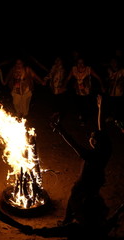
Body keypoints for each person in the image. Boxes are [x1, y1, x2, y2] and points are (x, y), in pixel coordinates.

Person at [50, 94, 112, 228]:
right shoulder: (106, 147)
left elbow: (73, 144)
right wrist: (100, 107)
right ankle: (87, 219)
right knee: (90, 198)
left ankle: (70, 222)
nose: (90, 137)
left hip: (86, 181)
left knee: (75, 197)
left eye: (92, 137)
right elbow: (102, 126)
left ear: (94, 142)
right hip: (98, 179)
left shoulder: (91, 155)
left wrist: (60, 130)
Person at [63, 58, 105, 126]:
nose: (80, 65)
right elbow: (68, 78)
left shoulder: (88, 69)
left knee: (85, 106)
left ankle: (84, 119)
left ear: (84, 63)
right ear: (76, 63)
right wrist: (64, 86)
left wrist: (102, 86)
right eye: (78, 63)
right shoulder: (74, 69)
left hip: (87, 92)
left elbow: (98, 78)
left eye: (82, 63)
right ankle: (83, 115)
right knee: (79, 105)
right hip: (77, 91)